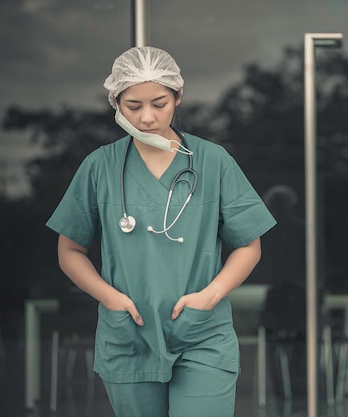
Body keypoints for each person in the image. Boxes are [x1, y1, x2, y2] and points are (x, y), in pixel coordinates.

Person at [46, 46, 277, 417]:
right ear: (115, 102)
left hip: (201, 332)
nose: (148, 117)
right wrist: (110, 299)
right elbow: (69, 250)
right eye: (133, 106)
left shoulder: (213, 161)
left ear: (178, 97)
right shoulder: (99, 167)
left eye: (160, 103)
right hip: (129, 335)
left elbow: (249, 245)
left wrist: (212, 294)